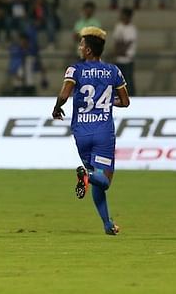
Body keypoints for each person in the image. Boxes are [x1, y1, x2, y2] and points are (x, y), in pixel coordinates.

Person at [52, 26, 130, 235]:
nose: (80, 47)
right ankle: (85, 175)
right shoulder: (114, 71)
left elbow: (64, 94)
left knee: (95, 178)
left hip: (81, 132)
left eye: (82, 44)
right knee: (102, 181)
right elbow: (125, 102)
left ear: (87, 50)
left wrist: (56, 107)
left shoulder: (74, 70)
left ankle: (107, 224)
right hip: (103, 131)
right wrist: (104, 103)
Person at [113, 8, 137, 96]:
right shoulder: (118, 27)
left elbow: (128, 43)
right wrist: (118, 51)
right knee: (117, 81)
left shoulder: (132, 29)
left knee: (129, 80)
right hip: (119, 59)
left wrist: (119, 51)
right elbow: (117, 41)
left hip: (128, 59)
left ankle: (131, 97)